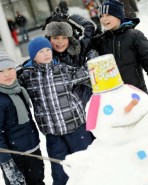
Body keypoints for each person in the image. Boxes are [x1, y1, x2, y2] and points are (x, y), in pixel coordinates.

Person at [17, 36, 94, 185]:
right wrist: (19, 69)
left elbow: (87, 74)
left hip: (77, 128)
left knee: (87, 165)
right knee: (60, 173)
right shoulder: (28, 77)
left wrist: (93, 60)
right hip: (53, 134)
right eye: (41, 52)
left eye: (48, 50)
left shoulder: (64, 70)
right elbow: (11, 83)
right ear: (33, 56)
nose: (46, 53)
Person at [92, 0, 148, 122]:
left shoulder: (134, 36)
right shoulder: (100, 41)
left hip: (137, 96)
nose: (104, 19)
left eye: (108, 15)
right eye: (101, 16)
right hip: (114, 100)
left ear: (118, 17)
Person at [0, 51, 45, 185]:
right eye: (1, 71)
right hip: (15, 157)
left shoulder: (19, 89)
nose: (7, 74)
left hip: (33, 149)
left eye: (10, 69)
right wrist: (7, 164)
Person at [43, 8, 98, 108]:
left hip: (91, 102)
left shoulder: (78, 49)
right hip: (69, 109)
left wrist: (70, 18)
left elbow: (89, 27)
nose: (60, 42)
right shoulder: (46, 58)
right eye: (55, 38)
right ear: (49, 39)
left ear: (70, 38)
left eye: (64, 37)